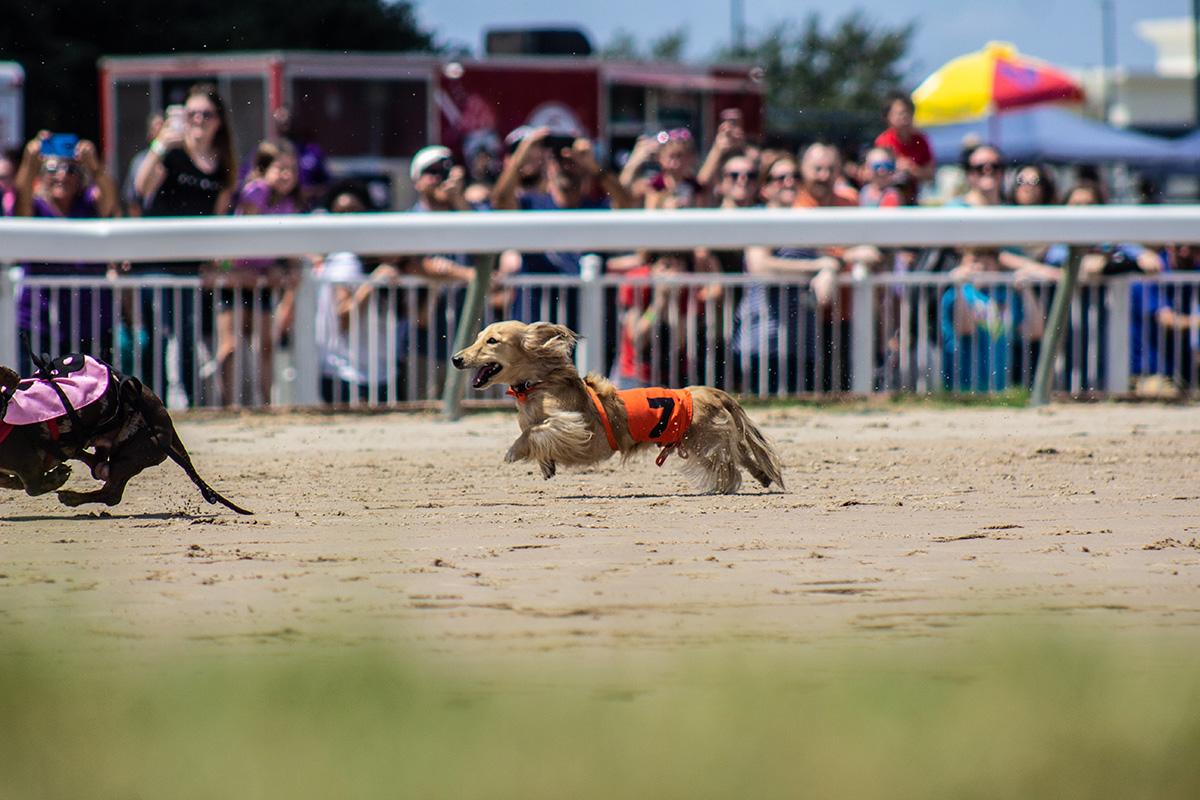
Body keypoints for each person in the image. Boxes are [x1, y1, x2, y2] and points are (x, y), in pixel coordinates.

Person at [133, 82, 238, 406]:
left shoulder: (223, 163)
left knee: (189, 337)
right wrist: (160, 144)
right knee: (155, 338)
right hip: (154, 260)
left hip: (191, 266)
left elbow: (220, 218)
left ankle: (191, 408)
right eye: (192, 114)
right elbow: (141, 187)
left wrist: (216, 263)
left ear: (219, 120)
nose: (199, 120)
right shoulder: (172, 152)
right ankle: (149, 407)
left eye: (206, 114)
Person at [492, 126, 632, 323]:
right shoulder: (531, 205)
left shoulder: (596, 210)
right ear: (548, 166)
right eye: (557, 159)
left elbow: (626, 205)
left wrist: (595, 166)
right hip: (535, 327)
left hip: (584, 327)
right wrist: (523, 153)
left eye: (572, 160)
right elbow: (500, 201)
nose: (565, 166)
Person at [732, 152, 841, 394]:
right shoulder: (760, 218)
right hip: (762, 342)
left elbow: (833, 257)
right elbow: (760, 266)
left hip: (803, 343)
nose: (789, 182)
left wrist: (832, 267)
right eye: (780, 178)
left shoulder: (805, 221)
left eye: (794, 176)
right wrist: (818, 267)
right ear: (765, 187)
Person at [11, 131, 120, 370]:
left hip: (91, 321)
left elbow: (110, 202)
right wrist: (29, 162)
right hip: (39, 322)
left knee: (94, 387)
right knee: (37, 388)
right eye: (52, 169)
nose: (62, 175)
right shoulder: (36, 208)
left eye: (71, 170)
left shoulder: (88, 204)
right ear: (41, 176)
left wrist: (94, 166)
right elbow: (20, 206)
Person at [217, 139, 304, 407]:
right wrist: (236, 272)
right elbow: (246, 240)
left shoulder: (289, 203)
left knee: (266, 344)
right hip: (235, 278)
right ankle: (228, 405)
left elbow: (287, 247)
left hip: (261, 280)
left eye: (292, 169)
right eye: (281, 168)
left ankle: (266, 402)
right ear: (264, 170)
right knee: (230, 346)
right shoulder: (256, 191)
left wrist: (288, 268)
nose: (287, 175)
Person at [314, 183, 405, 404]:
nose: (348, 219)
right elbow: (344, 316)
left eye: (354, 211)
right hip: (347, 374)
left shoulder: (368, 257)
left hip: (378, 373)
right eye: (340, 213)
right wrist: (374, 282)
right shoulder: (344, 260)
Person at [940, 248, 1046, 393]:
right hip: (961, 388)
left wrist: (1026, 290)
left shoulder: (1006, 296)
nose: (980, 267)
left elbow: (1034, 332)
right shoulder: (954, 294)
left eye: (988, 261)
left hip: (998, 388)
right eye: (974, 261)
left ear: (997, 266)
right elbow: (965, 329)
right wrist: (960, 286)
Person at [874, 91, 934, 205]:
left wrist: (912, 170)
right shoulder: (883, 142)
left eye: (908, 112)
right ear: (888, 117)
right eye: (900, 113)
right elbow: (876, 175)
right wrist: (895, 168)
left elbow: (930, 173)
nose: (904, 117)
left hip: (914, 199)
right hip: (888, 198)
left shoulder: (921, 141)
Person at [121, 112, 164, 217]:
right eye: (155, 128)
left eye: (163, 126)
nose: (160, 131)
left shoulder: (179, 158)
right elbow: (133, 200)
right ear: (149, 134)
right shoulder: (140, 161)